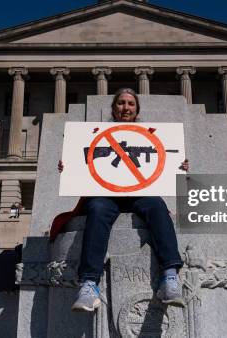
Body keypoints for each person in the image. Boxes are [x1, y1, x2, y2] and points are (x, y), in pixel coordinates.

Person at [57, 88, 189, 312]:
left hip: (139, 192)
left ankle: (169, 276)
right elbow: (84, 163)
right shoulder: (92, 134)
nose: (125, 107)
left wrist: (179, 166)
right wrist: (68, 167)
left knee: (157, 206)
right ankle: (89, 284)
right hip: (105, 193)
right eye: (120, 103)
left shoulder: (151, 136)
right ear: (113, 108)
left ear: (136, 111)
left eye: (130, 103)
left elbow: (162, 162)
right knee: (97, 210)